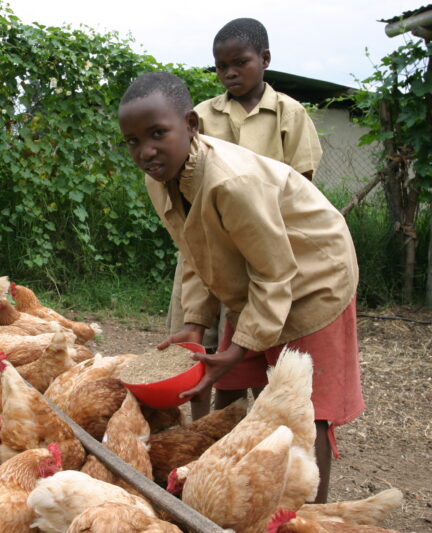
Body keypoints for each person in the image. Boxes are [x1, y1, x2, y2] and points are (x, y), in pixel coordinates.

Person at [117, 71, 363, 503]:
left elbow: (276, 272)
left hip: (313, 275)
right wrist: (195, 323)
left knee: (305, 408)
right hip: (259, 279)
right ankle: (223, 498)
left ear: (191, 125)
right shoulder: (159, 179)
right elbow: (197, 253)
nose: (146, 151)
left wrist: (237, 347)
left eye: (157, 134)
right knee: (230, 385)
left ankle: (310, 516)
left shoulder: (231, 181)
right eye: (133, 141)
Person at [165, 17, 323, 419]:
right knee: (192, 346)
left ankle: (250, 431)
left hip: (261, 252)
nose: (230, 73)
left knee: (252, 347)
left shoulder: (290, 114)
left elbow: (300, 187)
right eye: (221, 66)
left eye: (240, 62)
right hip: (204, 247)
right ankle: (199, 437)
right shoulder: (199, 116)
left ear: (265, 59)